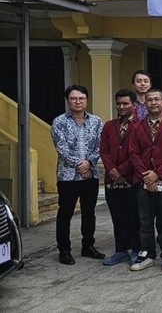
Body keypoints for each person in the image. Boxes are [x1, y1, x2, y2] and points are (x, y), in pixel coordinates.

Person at [51, 85, 105, 265]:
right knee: (65, 213)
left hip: (90, 175)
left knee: (89, 212)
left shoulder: (96, 121)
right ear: (68, 100)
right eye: (74, 98)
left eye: (81, 98)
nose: (78, 101)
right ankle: (64, 249)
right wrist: (79, 164)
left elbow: (100, 145)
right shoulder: (59, 122)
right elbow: (61, 148)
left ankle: (88, 246)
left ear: (86, 100)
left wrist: (89, 162)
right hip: (68, 176)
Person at [129, 88, 162, 272]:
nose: (153, 102)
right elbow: (133, 152)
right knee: (145, 218)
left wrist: (157, 174)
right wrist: (146, 175)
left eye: (157, 99)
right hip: (142, 180)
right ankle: (147, 253)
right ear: (145, 103)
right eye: (149, 100)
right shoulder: (136, 127)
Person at [100, 89, 140, 266]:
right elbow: (103, 150)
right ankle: (121, 250)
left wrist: (122, 171)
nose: (122, 107)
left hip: (131, 179)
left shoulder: (140, 125)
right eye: (119, 104)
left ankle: (137, 250)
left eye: (125, 103)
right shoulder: (109, 126)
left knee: (134, 216)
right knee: (117, 216)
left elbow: (138, 153)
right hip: (112, 181)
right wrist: (113, 171)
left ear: (134, 105)